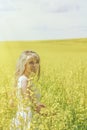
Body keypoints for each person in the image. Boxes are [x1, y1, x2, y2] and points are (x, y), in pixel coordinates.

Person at [10, 50, 45, 130]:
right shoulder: (24, 80)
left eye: (36, 62)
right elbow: (29, 101)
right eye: (31, 62)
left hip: (26, 116)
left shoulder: (24, 79)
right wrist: (45, 112)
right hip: (27, 118)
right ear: (23, 64)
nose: (35, 65)